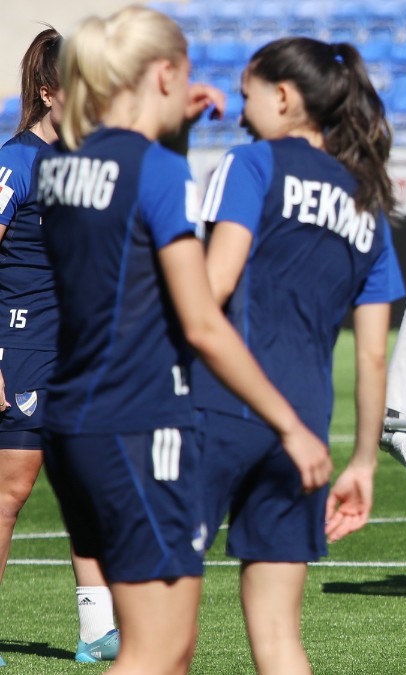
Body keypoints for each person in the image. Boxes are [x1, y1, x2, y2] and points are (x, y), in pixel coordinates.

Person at [35, 7, 330, 674]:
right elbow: (201, 322)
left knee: (166, 650)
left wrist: (175, 135)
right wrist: (291, 426)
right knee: (158, 650)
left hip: (73, 421)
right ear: (165, 74)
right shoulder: (160, 173)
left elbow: (122, 228)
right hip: (138, 423)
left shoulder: (60, 167)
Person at [195, 36, 405, 674]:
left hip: (219, 407)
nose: (239, 111)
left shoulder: (251, 164)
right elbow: (373, 358)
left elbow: (211, 291)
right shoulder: (368, 205)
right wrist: (362, 462)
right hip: (306, 431)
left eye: (247, 94)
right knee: (280, 639)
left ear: (283, 96)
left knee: (156, 632)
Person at [0, 26, 121, 666]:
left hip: (79, 353)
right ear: (49, 93)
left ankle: (97, 630)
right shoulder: (15, 162)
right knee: (10, 493)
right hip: (22, 346)